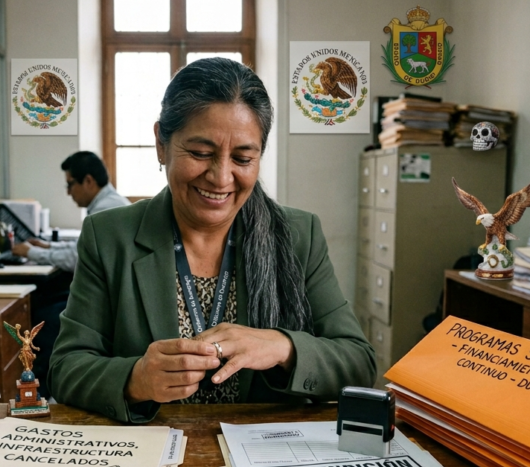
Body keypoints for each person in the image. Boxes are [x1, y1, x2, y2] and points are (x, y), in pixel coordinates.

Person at [49, 58, 375, 423]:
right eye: (201, 153)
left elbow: (358, 363)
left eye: (242, 157)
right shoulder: (110, 236)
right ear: (161, 143)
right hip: (153, 453)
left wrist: (283, 347)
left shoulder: (299, 235)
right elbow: (66, 367)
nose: (221, 177)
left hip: (266, 455)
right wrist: (135, 379)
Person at [11, 151, 129, 273]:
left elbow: (78, 259)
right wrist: (49, 246)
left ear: (88, 181)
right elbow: (83, 247)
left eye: (70, 184)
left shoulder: (106, 210)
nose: (68, 192)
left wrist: (31, 252)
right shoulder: (109, 203)